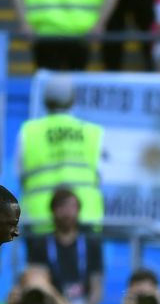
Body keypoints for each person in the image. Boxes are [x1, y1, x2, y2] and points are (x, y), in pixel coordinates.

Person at [16, 76, 105, 229]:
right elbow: (100, 176)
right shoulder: (92, 133)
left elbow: (20, 175)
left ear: (45, 100)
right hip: (85, 220)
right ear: (73, 100)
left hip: (40, 220)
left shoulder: (29, 132)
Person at [10, 0, 122, 71]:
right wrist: (100, 24)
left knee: (49, 84)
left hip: (45, 31)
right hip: (81, 32)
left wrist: (25, 23)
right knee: (76, 84)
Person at [25, 187, 103, 304]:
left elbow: (97, 286)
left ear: (79, 210)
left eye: (71, 206)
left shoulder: (91, 243)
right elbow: (38, 282)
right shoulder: (40, 244)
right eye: (61, 206)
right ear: (53, 211)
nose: (67, 212)